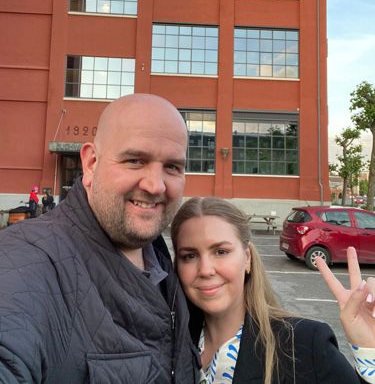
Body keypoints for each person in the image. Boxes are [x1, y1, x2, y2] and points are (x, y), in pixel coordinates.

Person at [0, 94, 199, 383]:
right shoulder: (26, 261)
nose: (156, 186)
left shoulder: (166, 263)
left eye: (172, 167)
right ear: (91, 163)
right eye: (134, 160)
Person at [171, 196, 375, 384]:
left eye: (221, 251)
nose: (205, 270)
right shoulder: (167, 344)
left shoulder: (303, 345)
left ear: (247, 258)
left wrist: (369, 354)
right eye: (189, 256)